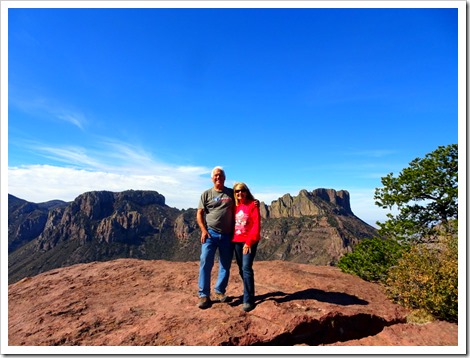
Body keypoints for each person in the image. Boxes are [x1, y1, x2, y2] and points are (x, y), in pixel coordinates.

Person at [196, 166, 235, 309]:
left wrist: (254, 203)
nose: (218, 177)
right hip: (210, 234)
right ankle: (203, 295)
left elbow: (244, 201)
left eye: (220, 175)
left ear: (224, 178)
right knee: (206, 262)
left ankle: (219, 291)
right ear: (212, 178)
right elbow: (199, 213)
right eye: (215, 176)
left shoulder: (231, 193)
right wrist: (203, 230)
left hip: (227, 235)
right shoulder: (206, 194)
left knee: (225, 264)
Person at [232, 182, 261, 312]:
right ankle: (250, 291)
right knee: (241, 269)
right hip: (236, 241)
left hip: (249, 242)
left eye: (242, 190)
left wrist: (248, 242)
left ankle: (248, 299)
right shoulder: (234, 206)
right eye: (237, 191)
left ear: (246, 191)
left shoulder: (253, 205)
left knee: (246, 267)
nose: (240, 193)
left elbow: (256, 225)